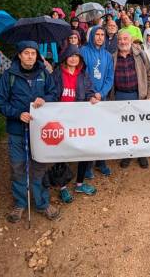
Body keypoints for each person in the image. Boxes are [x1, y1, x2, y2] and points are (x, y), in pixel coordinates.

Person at [0, 41, 61, 222]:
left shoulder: (43, 73)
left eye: (33, 53)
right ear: (19, 55)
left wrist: (44, 99)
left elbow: (54, 94)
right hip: (17, 130)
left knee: (39, 165)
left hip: (39, 131)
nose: (30, 56)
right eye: (26, 53)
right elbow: (0, 102)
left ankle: (42, 203)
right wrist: (17, 114)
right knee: (18, 167)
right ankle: (20, 203)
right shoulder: (9, 75)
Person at [53, 45, 100, 203]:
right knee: (61, 153)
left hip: (79, 119)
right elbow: (51, 92)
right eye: (70, 55)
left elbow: (89, 91)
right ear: (65, 57)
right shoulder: (57, 74)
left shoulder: (83, 74)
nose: (73, 58)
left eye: (76, 56)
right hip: (61, 119)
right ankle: (63, 187)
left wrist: (92, 97)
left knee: (83, 150)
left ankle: (80, 183)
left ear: (80, 59)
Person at [113, 30, 150, 169]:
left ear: (131, 40)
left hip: (138, 96)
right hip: (120, 96)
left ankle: (141, 153)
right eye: (120, 39)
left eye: (125, 38)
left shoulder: (140, 55)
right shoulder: (112, 57)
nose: (123, 41)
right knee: (125, 127)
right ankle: (128, 153)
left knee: (140, 126)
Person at [80, 25, 115, 176]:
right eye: (97, 34)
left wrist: (101, 93)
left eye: (102, 35)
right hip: (88, 99)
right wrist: (92, 94)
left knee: (102, 131)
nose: (100, 37)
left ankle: (101, 162)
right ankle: (87, 166)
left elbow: (109, 77)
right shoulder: (83, 52)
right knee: (89, 133)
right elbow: (82, 74)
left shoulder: (107, 55)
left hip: (102, 99)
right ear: (92, 35)